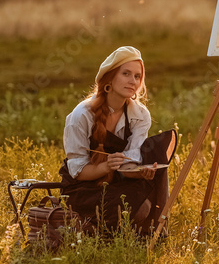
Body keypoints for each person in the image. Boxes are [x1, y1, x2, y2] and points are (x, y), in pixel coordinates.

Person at [59, 46, 175, 235]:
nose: (132, 81)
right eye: (126, 74)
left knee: (157, 153)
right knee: (139, 208)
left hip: (118, 181)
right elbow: (77, 171)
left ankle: (156, 235)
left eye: (137, 76)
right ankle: (95, 232)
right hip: (85, 187)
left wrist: (140, 172)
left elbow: (128, 165)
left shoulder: (139, 115)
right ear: (110, 78)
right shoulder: (81, 115)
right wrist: (105, 167)